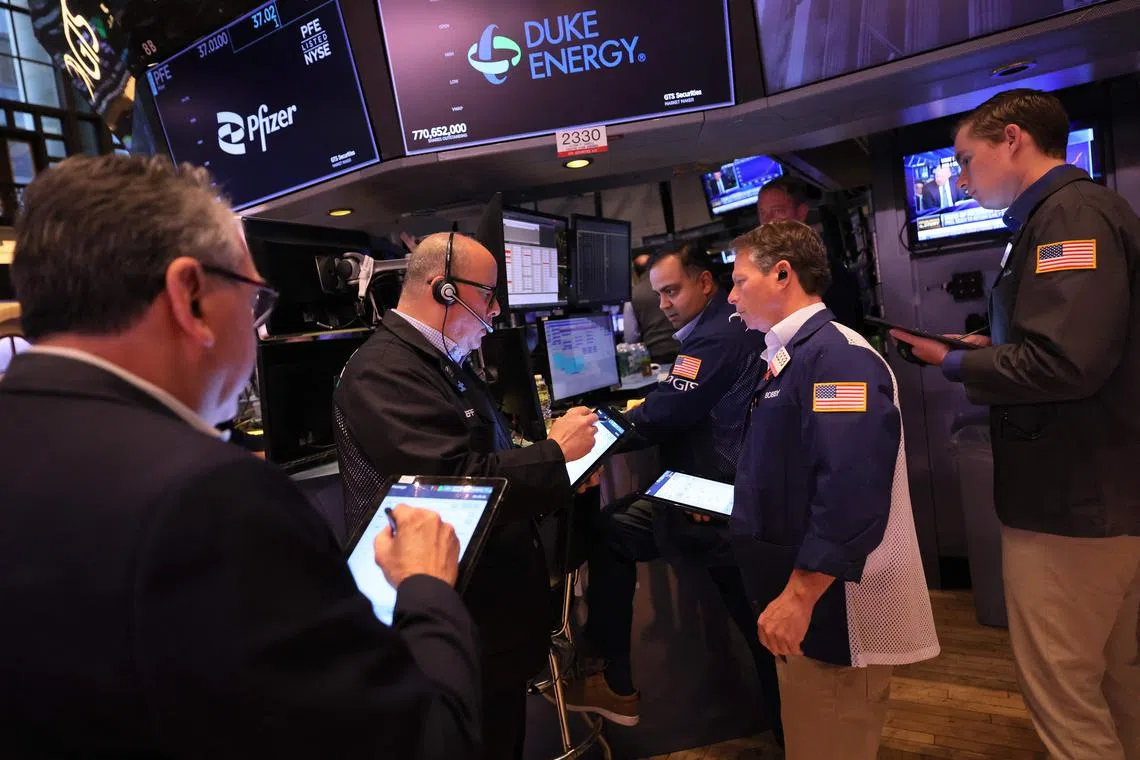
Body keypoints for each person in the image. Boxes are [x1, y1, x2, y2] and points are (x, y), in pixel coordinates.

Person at [0, 155, 483, 758]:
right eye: (255, 302)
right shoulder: (212, 498)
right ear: (190, 296)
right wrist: (426, 587)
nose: (256, 332)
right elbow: (424, 743)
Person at [891, 88, 1140, 760]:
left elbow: (1065, 363)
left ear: (1012, 139)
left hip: (1071, 505)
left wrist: (952, 363)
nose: (960, 179)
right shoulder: (1064, 215)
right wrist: (986, 347)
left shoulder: (1070, 217)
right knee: (1115, 680)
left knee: (1063, 694)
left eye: (965, 160)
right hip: (1095, 496)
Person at [333, 232, 599, 760]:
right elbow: (451, 484)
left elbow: (489, 451)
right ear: (445, 290)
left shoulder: (439, 360)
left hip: (488, 611)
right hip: (452, 610)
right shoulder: (383, 370)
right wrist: (553, 455)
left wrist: (561, 471)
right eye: (488, 295)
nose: (495, 310)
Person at [728, 220, 939, 760]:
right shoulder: (792, 354)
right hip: (805, 602)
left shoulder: (838, 357)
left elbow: (851, 486)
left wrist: (800, 596)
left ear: (783, 274)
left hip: (833, 608)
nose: (731, 297)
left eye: (740, 281)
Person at [563, 245, 783, 740]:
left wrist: (589, 437)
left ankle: (610, 679)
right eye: (658, 294)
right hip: (730, 491)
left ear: (705, 283)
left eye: (672, 291)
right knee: (762, 635)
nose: (663, 304)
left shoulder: (715, 336)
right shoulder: (721, 328)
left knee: (611, 531)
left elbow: (663, 416)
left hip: (721, 502)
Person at [757, 177, 862, 327]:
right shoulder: (765, 269)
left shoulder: (826, 271)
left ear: (801, 212)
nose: (768, 221)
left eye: (778, 211)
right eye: (763, 213)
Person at [623, 251, 681, 363]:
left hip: (655, 359)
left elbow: (631, 338)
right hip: (685, 351)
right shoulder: (672, 285)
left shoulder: (632, 296)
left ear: (636, 273)